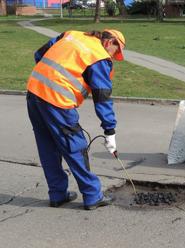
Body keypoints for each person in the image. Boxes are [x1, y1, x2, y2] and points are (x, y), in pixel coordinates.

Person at [26, 29, 125, 210]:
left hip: (34, 92)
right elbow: (102, 96)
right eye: (115, 51)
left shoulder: (72, 34)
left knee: (47, 145)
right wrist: (110, 131)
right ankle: (92, 195)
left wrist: (49, 78)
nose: (113, 56)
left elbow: (39, 54)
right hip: (57, 100)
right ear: (110, 42)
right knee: (75, 146)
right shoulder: (99, 56)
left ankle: (57, 194)